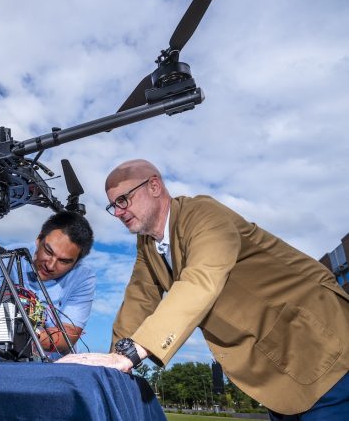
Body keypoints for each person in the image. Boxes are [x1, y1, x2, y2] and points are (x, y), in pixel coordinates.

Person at [57, 159, 349, 419]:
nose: (119, 212)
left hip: (319, 347)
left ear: (154, 186)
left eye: (124, 200)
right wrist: (111, 365)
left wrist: (132, 353)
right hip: (280, 373)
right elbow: (138, 299)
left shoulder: (204, 214)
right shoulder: (148, 245)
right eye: (113, 206)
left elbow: (200, 279)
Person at [0, 210, 95, 355]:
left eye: (64, 261)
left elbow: (68, 335)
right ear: (38, 239)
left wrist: (25, 333)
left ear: (76, 263)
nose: (50, 265)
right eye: (48, 251)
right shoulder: (4, 258)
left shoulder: (83, 276)